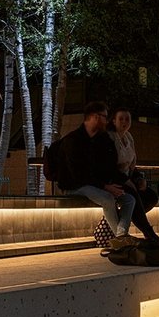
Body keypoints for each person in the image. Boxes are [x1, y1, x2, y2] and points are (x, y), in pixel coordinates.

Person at [57, 101, 137, 250]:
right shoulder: (74, 140)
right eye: (104, 117)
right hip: (74, 185)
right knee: (108, 198)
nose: (107, 121)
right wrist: (106, 187)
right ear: (94, 117)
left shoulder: (102, 139)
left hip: (96, 184)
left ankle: (120, 236)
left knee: (129, 199)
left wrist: (112, 184)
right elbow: (78, 175)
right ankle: (121, 240)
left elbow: (108, 167)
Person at [108, 107, 159, 242]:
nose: (124, 122)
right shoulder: (110, 137)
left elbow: (131, 164)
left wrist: (138, 178)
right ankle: (147, 231)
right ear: (113, 121)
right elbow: (109, 167)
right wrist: (126, 180)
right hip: (113, 179)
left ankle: (122, 218)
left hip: (128, 177)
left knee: (150, 196)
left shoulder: (129, 137)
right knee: (133, 195)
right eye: (121, 119)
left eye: (127, 119)